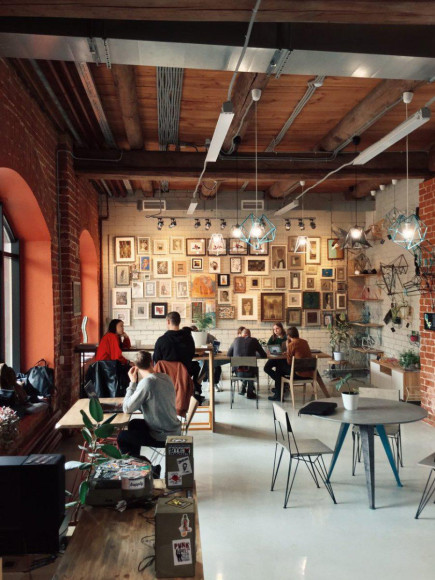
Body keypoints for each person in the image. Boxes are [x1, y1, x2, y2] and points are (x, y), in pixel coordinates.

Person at [117, 350, 181, 462]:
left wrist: (132, 382)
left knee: (122, 437)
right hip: (174, 429)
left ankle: (144, 465)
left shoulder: (147, 383)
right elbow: (155, 402)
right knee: (133, 424)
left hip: (162, 436)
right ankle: (139, 465)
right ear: (151, 362)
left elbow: (127, 409)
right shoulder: (166, 377)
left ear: (136, 367)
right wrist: (136, 402)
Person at [153, 311, 202, 401]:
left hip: (166, 378)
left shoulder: (161, 340)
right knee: (197, 366)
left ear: (168, 321)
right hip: (184, 375)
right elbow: (191, 354)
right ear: (179, 322)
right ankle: (196, 390)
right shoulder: (188, 338)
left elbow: (156, 361)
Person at [267, 327, 314, 401]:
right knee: (280, 368)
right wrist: (288, 352)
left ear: (288, 336)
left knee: (279, 369)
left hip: (299, 373)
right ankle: (280, 391)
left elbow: (289, 362)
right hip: (309, 372)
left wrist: (288, 347)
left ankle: (278, 395)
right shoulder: (305, 342)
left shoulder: (291, 344)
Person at [227, 328, 267, 399]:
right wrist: (254, 354)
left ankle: (243, 387)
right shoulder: (254, 340)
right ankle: (250, 393)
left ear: (242, 334)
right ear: (249, 335)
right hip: (250, 373)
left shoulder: (236, 340)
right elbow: (264, 355)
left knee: (245, 367)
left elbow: (228, 354)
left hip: (237, 373)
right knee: (250, 369)